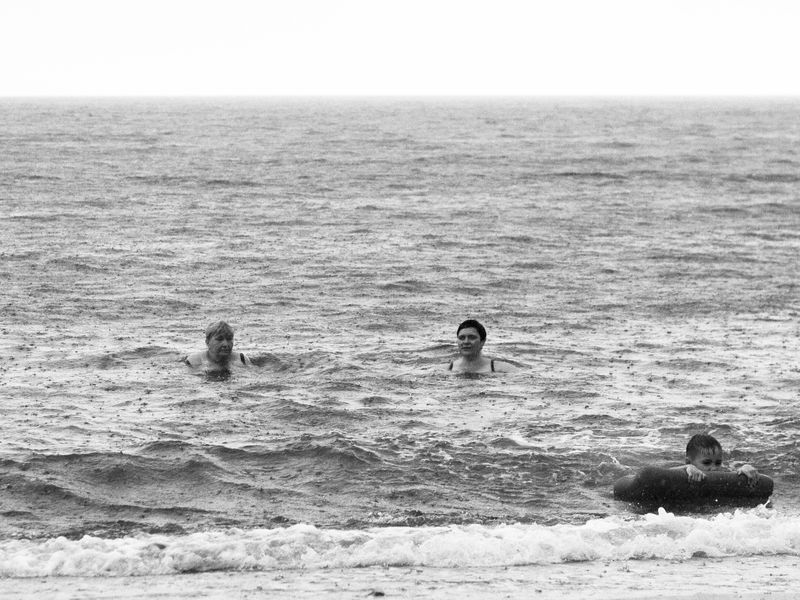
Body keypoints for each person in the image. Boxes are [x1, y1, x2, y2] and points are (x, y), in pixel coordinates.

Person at [673, 433, 758, 484]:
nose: (714, 468)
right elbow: (666, 471)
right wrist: (687, 467)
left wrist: (745, 469)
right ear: (689, 462)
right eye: (707, 463)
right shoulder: (685, 470)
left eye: (718, 463)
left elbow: (735, 473)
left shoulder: (724, 474)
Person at [447, 319, 512, 373]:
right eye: (462, 338)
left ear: (482, 341)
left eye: (472, 337)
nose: (466, 342)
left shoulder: (501, 368)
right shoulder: (447, 369)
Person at [183, 320, 251, 370]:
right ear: (207, 342)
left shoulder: (242, 360)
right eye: (219, 339)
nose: (226, 344)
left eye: (229, 339)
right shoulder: (194, 361)